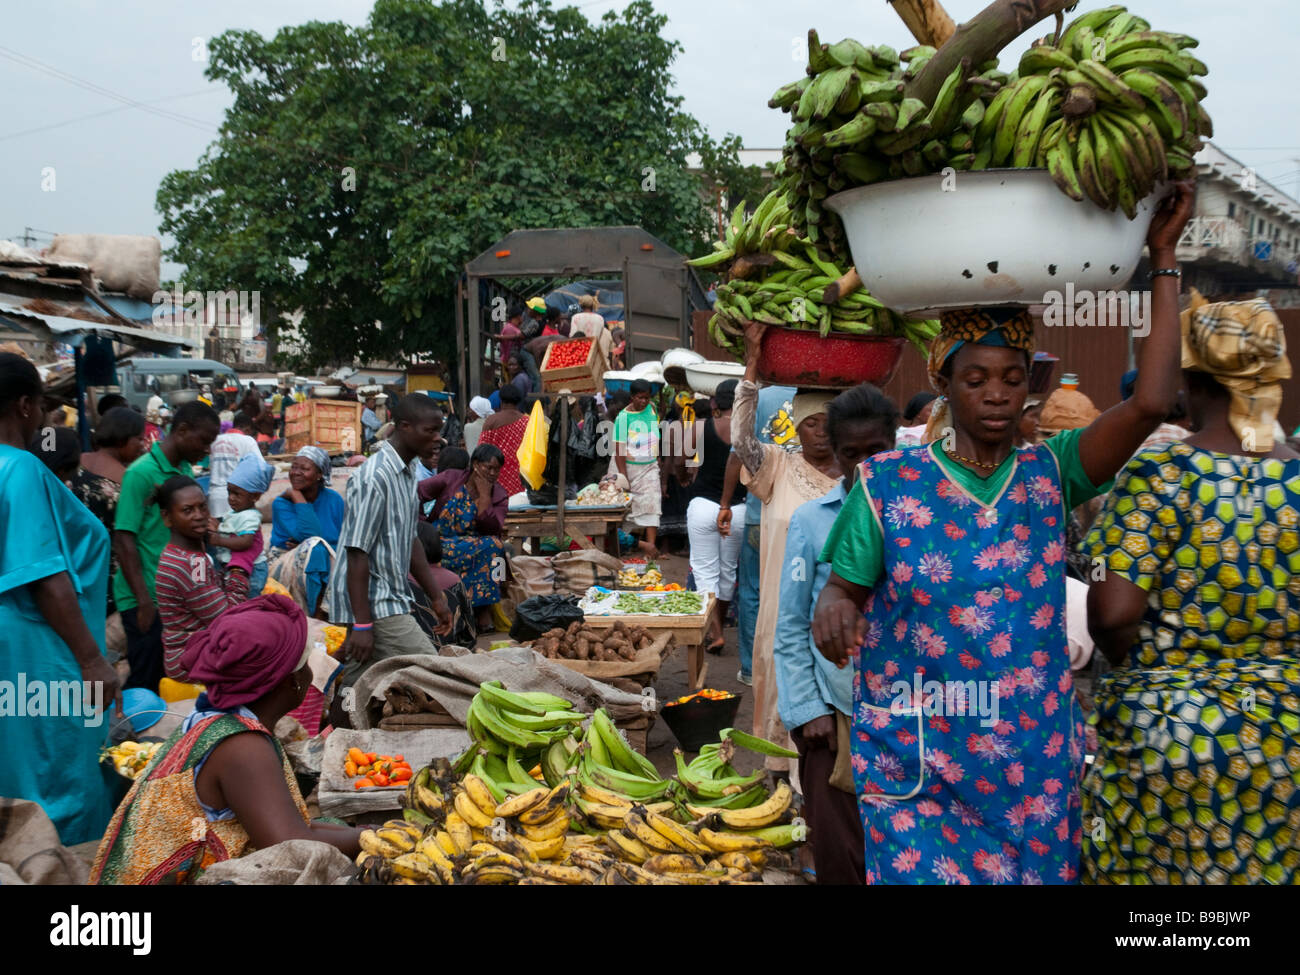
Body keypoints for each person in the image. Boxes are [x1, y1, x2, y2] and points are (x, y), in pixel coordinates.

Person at [812, 182, 1195, 885]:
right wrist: (833, 606)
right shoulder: (888, 487)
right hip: (921, 767)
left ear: (1029, 389)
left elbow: (1150, 402)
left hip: (1031, 774)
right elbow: (840, 589)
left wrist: (1162, 257)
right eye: (977, 377)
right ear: (946, 382)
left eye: (1013, 379)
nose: (996, 394)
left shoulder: (1053, 473)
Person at [1083, 292, 1300, 885]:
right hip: (1283, 736)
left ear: (1194, 379)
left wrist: (1158, 666)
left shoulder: (1161, 476)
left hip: (1169, 734)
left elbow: (1112, 607)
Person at [91, 595, 364, 883]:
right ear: (290, 681)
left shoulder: (221, 720)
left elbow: (297, 825)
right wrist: (370, 838)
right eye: (307, 662)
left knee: (334, 827)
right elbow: (293, 848)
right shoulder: (243, 746)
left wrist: (368, 833)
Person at [775, 382, 898, 885]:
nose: (867, 465)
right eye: (853, 454)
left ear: (896, 445)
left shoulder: (923, 517)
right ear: (837, 454)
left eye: (878, 452)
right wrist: (809, 710)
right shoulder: (812, 521)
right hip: (838, 713)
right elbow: (791, 624)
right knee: (843, 856)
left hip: (910, 709)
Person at [0, 353, 120, 846]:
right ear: (26, 405)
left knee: (14, 768)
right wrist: (93, 660)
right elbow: (45, 577)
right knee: (58, 779)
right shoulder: (21, 468)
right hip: (41, 649)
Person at [731, 326, 843, 778]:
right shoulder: (777, 464)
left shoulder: (858, 477)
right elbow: (741, 440)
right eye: (810, 423)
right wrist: (753, 365)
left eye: (828, 424)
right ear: (796, 425)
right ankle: (782, 790)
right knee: (780, 704)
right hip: (783, 616)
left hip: (837, 615)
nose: (819, 433)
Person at [329, 394, 453, 690]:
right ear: (405, 427)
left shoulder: (409, 471)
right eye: (430, 431)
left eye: (439, 430)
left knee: (361, 681)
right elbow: (357, 553)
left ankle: (341, 729)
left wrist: (436, 597)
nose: (438, 439)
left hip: (391, 595)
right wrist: (361, 623)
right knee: (432, 673)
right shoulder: (374, 477)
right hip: (373, 600)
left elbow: (410, 540)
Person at [114, 401, 221, 693]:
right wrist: (144, 601)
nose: (207, 449)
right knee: (146, 675)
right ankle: (129, 731)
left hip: (177, 594)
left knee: (175, 675)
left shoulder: (183, 468)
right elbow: (123, 538)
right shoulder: (141, 473)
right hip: (146, 596)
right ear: (183, 431)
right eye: (205, 440)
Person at [720, 384, 797, 686]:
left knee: (753, 591)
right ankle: (789, 670)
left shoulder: (759, 398)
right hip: (808, 511)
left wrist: (726, 503)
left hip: (760, 513)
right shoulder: (818, 392)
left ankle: (752, 670)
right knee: (796, 590)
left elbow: (736, 454)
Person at [154, 477, 257, 681]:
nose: (199, 516)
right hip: (191, 659)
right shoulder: (192, 564)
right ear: (167, 517)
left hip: (191, 651)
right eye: (187, 510)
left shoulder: (183, 554)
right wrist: (239, 570)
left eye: (203, 507)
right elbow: (227, 618)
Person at [418, 443, 508, 631]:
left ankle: (486, 608)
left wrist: (484, 497)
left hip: (475, 545)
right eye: (488, 467)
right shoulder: (451, 478)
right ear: (475, 464)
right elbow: (416, 493)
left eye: (497, 470)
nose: (493, 473)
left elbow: (493, 528)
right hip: (441, 542)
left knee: (496, 548)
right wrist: (421, 524)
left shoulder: (499, 494)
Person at [685, 379, 745, 653]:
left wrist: (686, 476)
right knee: (727, 572)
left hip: (703, 506)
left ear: (713, 403)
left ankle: (716, 631)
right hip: (738, 510)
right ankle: (717, 624)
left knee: (704, 570)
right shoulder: (748, 431)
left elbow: (683, 464)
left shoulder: (699, 427)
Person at [71, 406, 149, 613]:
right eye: (139, 440)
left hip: (73, 568)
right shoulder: (127, 480)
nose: (142, 447)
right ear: (123, 438)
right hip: (108, 578)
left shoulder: (75, 463)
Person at [268, 445, 346, 616]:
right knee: (316, 549)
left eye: (304, 468)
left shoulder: (334, 500)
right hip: (284, 562)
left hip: (328, 561)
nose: (296, 472)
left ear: (319, 475)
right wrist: (297, 497)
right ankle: (317, 615)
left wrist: (308, 544)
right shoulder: (282, 503)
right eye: (294, 467)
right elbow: (312, 534)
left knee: (321, 551)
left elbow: (341, 539)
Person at [210, 452, 274, 597]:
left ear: (255, 496)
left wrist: (219, 540)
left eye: (237, 494)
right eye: (229, 492)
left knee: (247, 601)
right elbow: (229, 528)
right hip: (237, 569)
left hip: (253, 571)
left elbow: (246, 541)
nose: (231, 498)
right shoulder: (234, 513)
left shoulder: (250, 516)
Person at [613, 379, 662, 557]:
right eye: (640, 398)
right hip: (628, 468)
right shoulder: (623, 418)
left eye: (647, 398)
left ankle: (651, 548)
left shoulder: (652, 408)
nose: (644, 401)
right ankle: (622, 547)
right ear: (632, 397)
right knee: (627, 507)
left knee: (653, 502)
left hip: (649, 467)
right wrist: (624, 477)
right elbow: (619, 451)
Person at [413, 522, 478, 649]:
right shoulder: (454, 580)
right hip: (450, 653)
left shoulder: (400, 582)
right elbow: (469, 634)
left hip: (412, 652)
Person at [206, 411, 262, 518]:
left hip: (214, 497)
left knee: (217, 532)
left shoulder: (215, 440)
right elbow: (260, 468)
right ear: (247, 429)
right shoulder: (248, 441)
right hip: (236, 499)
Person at [478, 383, 529, 497]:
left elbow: (481, 452)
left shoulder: (491, 421)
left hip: (496, 477)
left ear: (501, 400)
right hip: (522, 478)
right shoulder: (527, 422)